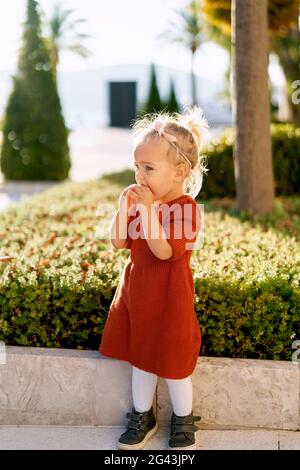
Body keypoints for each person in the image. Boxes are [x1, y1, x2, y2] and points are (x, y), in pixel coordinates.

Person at [99, 105, 209, 450]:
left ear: (179, 172)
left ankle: (183, 418)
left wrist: (146, 211)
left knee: (175, 365)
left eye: (148, 168)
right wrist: (123, 209)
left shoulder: (187, 210)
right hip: (139, 297)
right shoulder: (140, 204)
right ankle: (142, 415)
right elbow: (119, 241)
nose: (139, 176)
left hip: (170, 301)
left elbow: (164, 251)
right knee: (142, 360)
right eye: (136, 167)